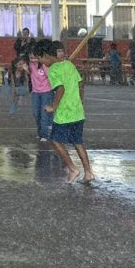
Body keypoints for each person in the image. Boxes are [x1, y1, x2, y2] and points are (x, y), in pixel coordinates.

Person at [45, 42, 93, 183]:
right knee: (78, 142)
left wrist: (53, 106)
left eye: (62, 51)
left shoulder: (53, 69)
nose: (61, 53)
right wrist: (80, 101)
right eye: (58, 51)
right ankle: (88, 172)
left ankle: (73, 168)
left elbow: (60, 89)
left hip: (64, 114)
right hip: (77, 112)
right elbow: (80, 84)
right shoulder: (70, 65)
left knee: (55, 140)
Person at [28, 41, 55, 145]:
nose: (33, 60)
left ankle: (44, 134)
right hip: (35, 92)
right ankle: (40, 132)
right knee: (36, 113)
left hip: (46, 92)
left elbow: (50, 76)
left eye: (35, 58)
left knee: (44, 114)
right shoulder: (30, 65)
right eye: (31, 58)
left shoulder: (43, 65)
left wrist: (54, 89)